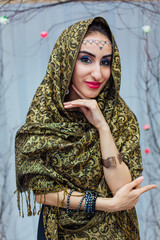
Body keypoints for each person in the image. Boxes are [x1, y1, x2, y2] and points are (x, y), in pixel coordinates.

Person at [15, 17, 157, 240]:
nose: (98, 74)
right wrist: (107, 205)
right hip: (60, 232)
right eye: (86, 59)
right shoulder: (46, 111)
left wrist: (102, 127)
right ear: (66, 60)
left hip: (116, 233)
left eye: (105, 62)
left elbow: (123, 188)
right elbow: (43, 193)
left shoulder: (119, 115)